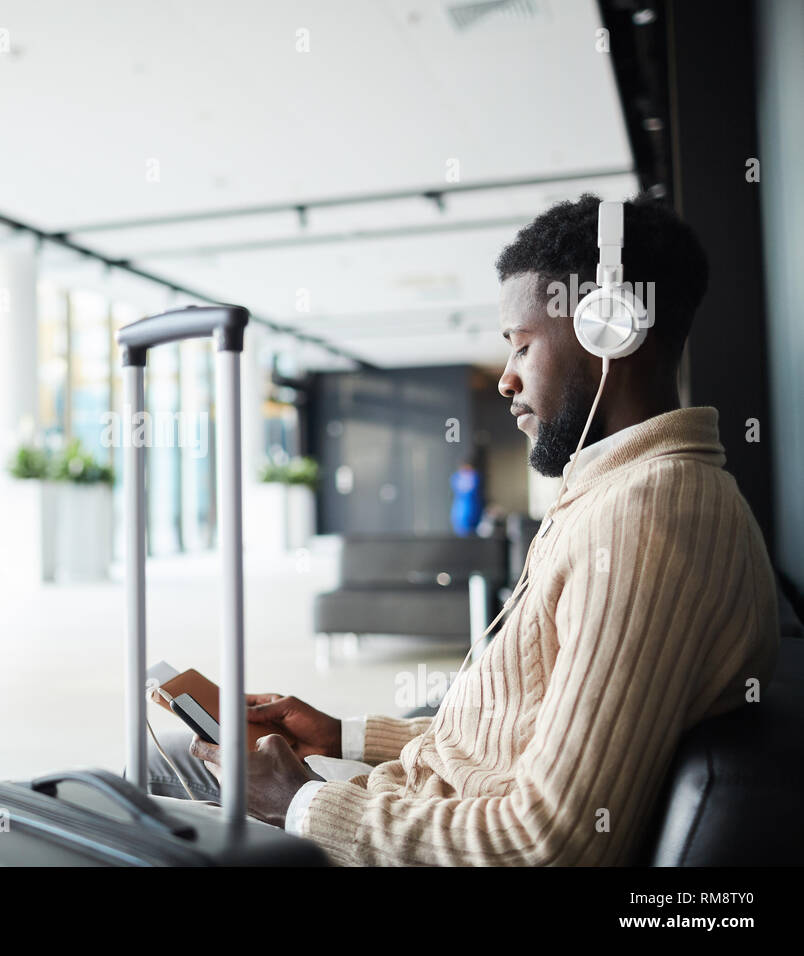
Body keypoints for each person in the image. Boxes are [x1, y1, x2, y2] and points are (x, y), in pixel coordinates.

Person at [148, 194, 780, 865]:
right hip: (423, 805)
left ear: (609, 330)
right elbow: (509, 738)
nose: (506, 379)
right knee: (173, 766)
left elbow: (549, 845)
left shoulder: (644, 519)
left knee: (150, 775)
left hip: (425, 837)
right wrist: (344, 735)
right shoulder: (620, 494)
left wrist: (298, 803)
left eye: (522, 344)